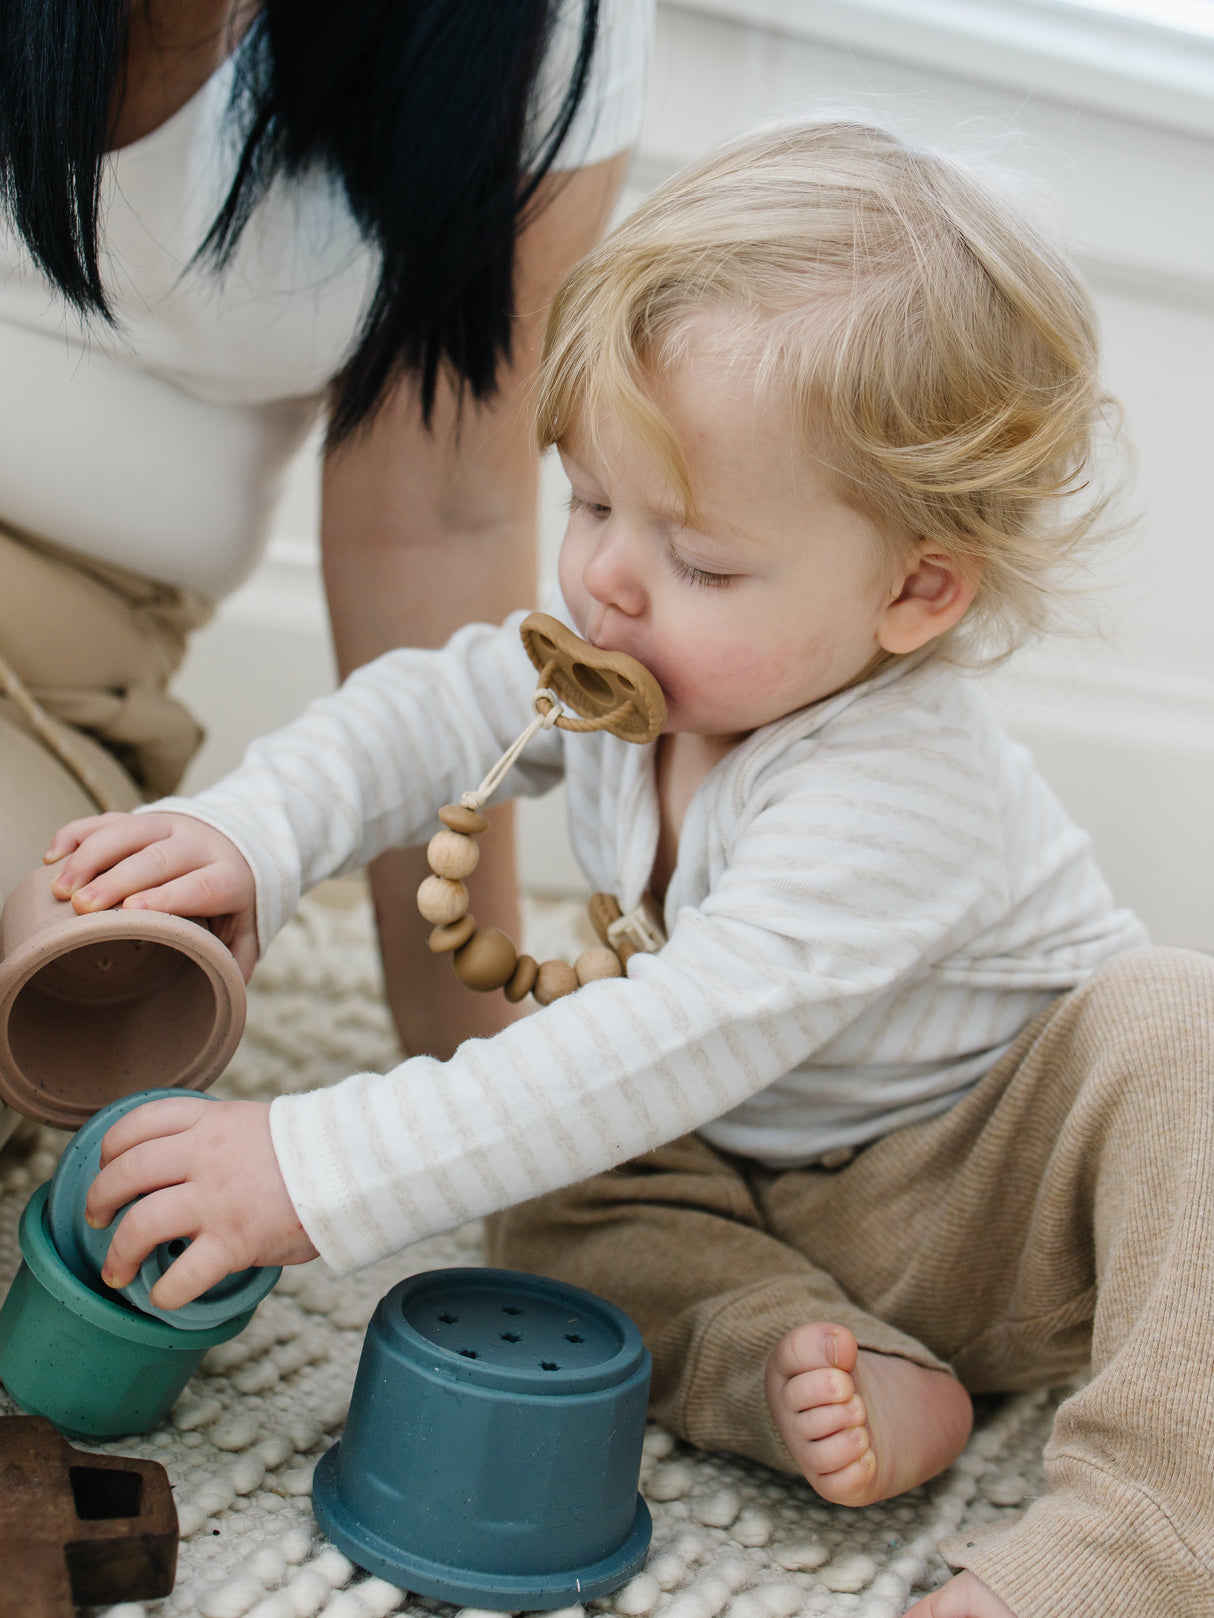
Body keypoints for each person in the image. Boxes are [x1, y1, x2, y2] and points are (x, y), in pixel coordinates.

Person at [48, 122, 1214, 1618]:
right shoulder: (623, 663)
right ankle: (797, 1349)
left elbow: (674, 1033)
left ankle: (1139, 1531)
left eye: (699, 557)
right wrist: (251, 838)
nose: (602, 574)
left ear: (916, 588)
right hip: (736, 1167)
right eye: (592, 500)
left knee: (1176, 1028)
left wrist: (312, 1163)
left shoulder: (894, 789)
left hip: (977, 1198)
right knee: (543, 1177)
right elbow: (420, 715)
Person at [0, 0, 652, 1146]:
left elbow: (438, 517)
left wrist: (474, 1055)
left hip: (56, 665)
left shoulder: (547, 28)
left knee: (65, 998)